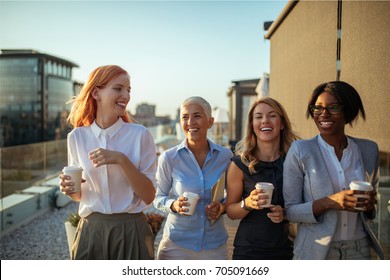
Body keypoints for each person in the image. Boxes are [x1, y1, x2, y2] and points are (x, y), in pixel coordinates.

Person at [59, 65, 157, 260]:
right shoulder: (76, 137)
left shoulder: (140, 135)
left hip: (132, 230)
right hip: (91, 229)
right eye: (118, 88)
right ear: (96, 93)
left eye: (128, 90)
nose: (126, 96)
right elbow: (79, 195)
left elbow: (148, 196)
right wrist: (70, 190)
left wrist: (120, 159)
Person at [283, 81, 385, 260]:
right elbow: (291, 211)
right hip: (316, 250)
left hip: (360, 250)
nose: (324, 114)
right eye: (318, 108)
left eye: (333, 107)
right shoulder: (300, 150)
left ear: (348, 111)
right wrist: (331, 202)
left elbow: (372, 206)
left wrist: (369, 206)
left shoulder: (369, 150)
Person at [153, 96, 232, 260]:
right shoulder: (168, 158)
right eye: (185, 117)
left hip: (214, 247)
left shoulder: (226, 156)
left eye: (197, 116)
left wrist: (222, 207)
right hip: (176, 246)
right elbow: (158, 197)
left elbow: (233, 196)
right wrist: (173, 204)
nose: (190, 122)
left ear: (210, 122)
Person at [225, 97, 299, 260]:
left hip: (288, 249)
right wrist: (248, 203)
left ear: (282, 123)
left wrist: (285, 214)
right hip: (249, 251)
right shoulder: (239, 164)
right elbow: (230, 211)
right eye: (258, 117)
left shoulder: (294, 161)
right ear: (252, 125)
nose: (265, 121)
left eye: (272, 115)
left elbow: (304, 205)